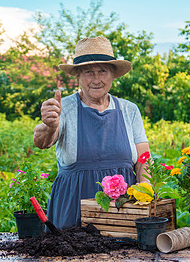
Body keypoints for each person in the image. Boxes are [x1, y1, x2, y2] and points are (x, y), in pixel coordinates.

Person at [33, 36, 151, 229]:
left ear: (113, 74)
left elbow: (144, 158)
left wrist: (145, 190)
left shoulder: (129, 110)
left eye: (102, 71)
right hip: (73, 209)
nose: (96, 79)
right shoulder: (65, 108)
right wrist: (49, 126)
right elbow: (42, 140)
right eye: (88, 72)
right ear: (78, 76)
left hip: (121, 213)